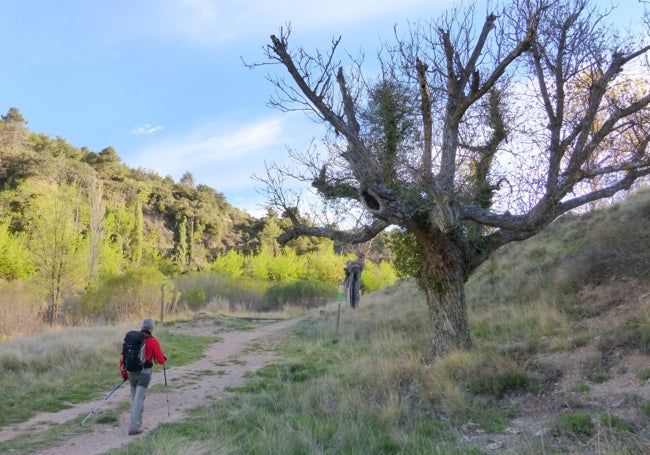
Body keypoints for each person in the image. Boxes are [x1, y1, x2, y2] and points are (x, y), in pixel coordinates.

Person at [119, 318, 166, 435]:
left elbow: (122, 358)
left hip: (131, 372)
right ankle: (134, 427)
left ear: (141, 327)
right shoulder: (153, 341)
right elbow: (160, 361)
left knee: (134, 399)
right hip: (144, 374)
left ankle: (136, 423)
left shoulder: (132, 339)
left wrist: (124, 374)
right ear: (152, 328)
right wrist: (164, 357)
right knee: (139, 400)